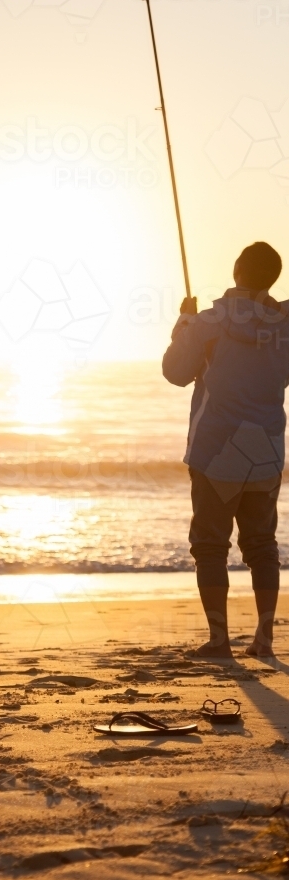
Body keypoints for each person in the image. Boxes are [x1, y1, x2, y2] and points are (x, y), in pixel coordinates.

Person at [163, 241, 288, 657]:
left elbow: (175, 373)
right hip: (268, 449)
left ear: (236, 270)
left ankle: (219, 640)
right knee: (262, 543)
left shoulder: (207, 322)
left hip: (217, 450)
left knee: (211, 544)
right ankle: (265, 639)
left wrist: (184, 322)